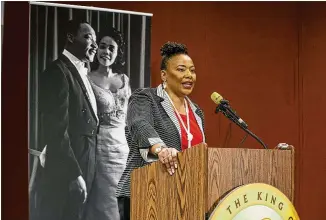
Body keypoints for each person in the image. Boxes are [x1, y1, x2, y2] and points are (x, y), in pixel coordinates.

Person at [116, 41, 206, 220]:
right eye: (181, 69)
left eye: (192, 70)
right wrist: (160, 149)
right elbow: (140, 125)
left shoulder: (197, 112)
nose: (189, 75)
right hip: (146, 193)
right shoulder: (145, 98)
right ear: (164, 75)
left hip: (184, 198)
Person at [37, 19, 99, 220]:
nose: (95, 45)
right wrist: (74, 174)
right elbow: (56, 130)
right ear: (71, 38)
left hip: (85, 161)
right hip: (69, 170)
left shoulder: (81, 71)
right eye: (88, 37)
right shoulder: (57, 72)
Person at [83, 27, 131, 220]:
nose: (106, 52)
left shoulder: (124, 79)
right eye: (102, 47)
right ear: (96, 48)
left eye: (111, 48)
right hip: (101, 147)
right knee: (104, 202)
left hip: (124, 148)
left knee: (123, 200)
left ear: (117, 53)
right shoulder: (88, 78)